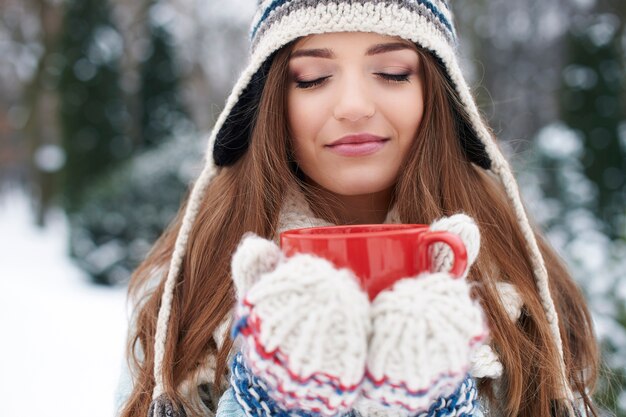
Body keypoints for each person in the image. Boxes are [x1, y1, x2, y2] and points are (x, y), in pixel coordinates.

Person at [117, 2, 599, 417]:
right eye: (312, 78)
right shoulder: (191, 287)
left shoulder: (520, 287)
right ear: (269, 101)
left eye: (392, 73)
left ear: (437, 91)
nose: (352, 106)